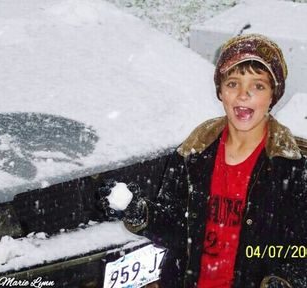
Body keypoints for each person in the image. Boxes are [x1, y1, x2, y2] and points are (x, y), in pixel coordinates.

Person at [100, 34, 307, 287]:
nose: (243, 95)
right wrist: (138, 211)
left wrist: (284, 279)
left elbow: (298, 249)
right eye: (233, 84)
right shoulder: (193, 153)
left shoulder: (291, 168)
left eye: (258, 86)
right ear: (220, 90)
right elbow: (176, 226)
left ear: (273, 95)